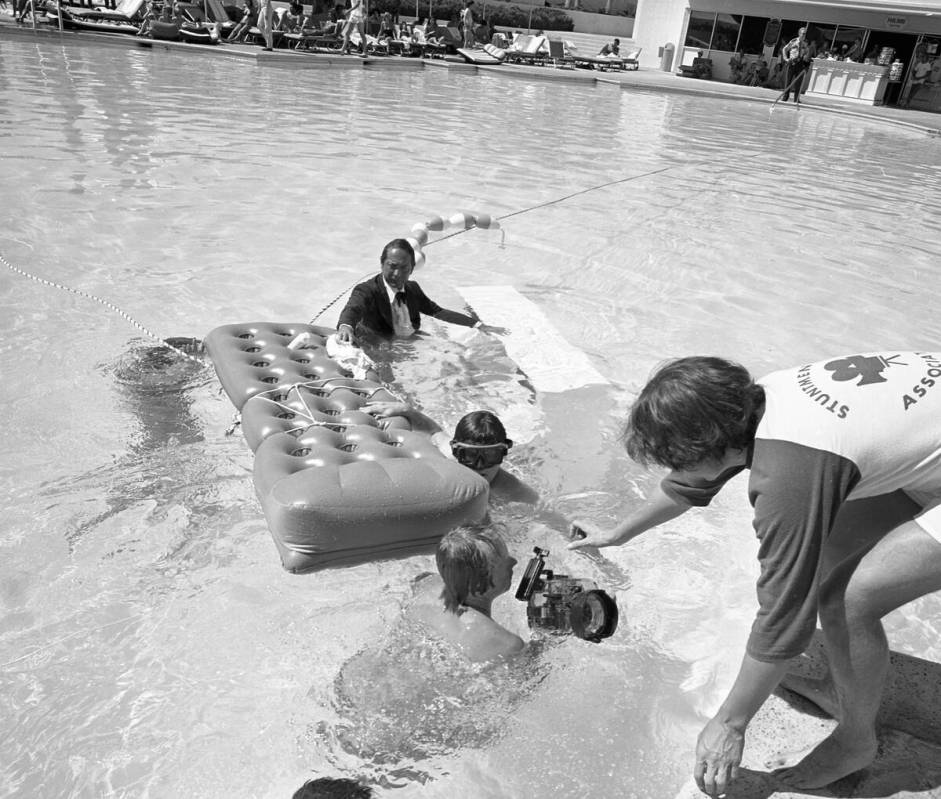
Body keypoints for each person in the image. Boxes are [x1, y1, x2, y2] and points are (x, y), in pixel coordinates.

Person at [569, 353, 941, 794]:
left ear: (712, 447)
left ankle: (855, 742)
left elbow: (784, 615)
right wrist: (618, 533)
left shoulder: (793, 471)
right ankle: (848, 684)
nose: (676, 469)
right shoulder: (756, 403)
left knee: (847, 598)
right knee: (827, 545)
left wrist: (730, 723)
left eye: (678, 459)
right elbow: (695, 482)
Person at [335, 239, 507, 344]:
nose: (397, 274)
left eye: (404, 268)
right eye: (392, 266)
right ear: (382, 264)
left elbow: (436, 311)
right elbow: (353, 308)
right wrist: (346, 326)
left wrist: (477, 324)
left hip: (410, 340)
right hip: (381, 343)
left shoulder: (413, 288)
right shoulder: (367, 290)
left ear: (411, 269)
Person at [364, 402, 539, 504]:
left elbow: (548, 512)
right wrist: (406, 410)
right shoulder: (449, 456)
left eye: (490, 456)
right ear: (456, 451)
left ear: (503, 454)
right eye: (470, 456)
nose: (479, 466)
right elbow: (433, 431)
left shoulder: (509, 487)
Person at [410, 525, 524, 663]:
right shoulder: (506, 644)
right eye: (503, 561)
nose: (513, 562)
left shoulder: (426, 583)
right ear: (476, 583)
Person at [780, 26, 809, 102]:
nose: (804, 35)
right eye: (803, 34)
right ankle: (785, 97)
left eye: (805, 34)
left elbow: (806, 52)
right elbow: (785, 49)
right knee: (788, 81)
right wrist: (785, 58)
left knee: (799, 82)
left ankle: (796, 99)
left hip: (800, 63)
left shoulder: (805, 44)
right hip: (792, 62)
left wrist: (804, 56)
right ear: (799, 34)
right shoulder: (793, 41)